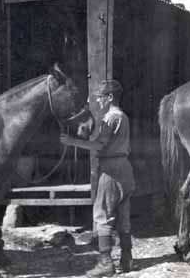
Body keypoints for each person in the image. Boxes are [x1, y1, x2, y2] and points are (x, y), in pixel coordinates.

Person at [60, 79, 136, 277]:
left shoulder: (110, 118)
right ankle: (127, 259)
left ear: (110, 97)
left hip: (111, 170)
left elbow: (100, 145)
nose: (98, 101)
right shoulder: (124, 116)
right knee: (124, 215)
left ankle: (105, 263)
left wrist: (72, 141)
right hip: (125, 168)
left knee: (102, 215)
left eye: (101, 97)